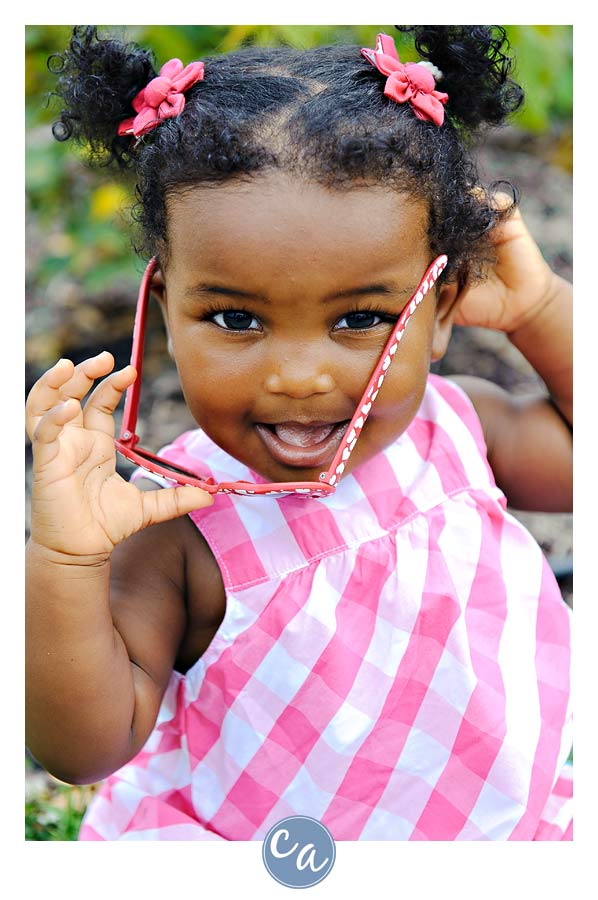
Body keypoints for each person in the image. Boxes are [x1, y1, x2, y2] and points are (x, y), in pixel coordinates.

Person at [26, 25, 572, 841]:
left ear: (444, 305)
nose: (299, 375)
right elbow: (83, 748)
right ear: (165, 307)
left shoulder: (461, 431)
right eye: (236, 317)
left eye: (361, 318)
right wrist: (65, 559)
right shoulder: (175, 524)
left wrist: (539, 311)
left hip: (489, 835)